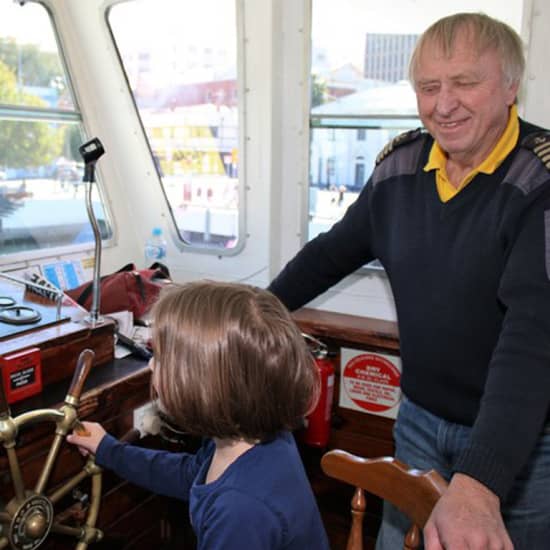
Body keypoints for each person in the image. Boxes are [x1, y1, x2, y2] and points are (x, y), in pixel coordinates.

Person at [268, 12, 550, 550]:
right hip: (418, 418)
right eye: (428, 87)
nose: (444, 105)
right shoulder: (400, 167)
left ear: (511, 86)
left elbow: (535, 333)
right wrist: (252, 308)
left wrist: (482, 480)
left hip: (526, 440)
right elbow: (329, 255)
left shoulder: (540, 182)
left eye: (465, 82)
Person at [68, 281, 329, 550]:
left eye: (161, 357)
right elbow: (191, 474)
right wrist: (108, 450)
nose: (150, 364)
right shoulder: (251, 438)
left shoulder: (240, 511)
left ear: (204, 385)